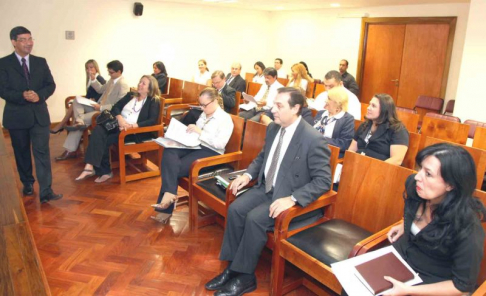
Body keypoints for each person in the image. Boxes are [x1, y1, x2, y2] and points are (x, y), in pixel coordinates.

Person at [205, 87, 332, 295]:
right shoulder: (274, 128)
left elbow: (323, 181)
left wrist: (293, 199)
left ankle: (245, 277)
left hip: (290, 196)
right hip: (267, 187)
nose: (273, 109)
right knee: (236, 209)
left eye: (279, 105)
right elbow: (263, 158)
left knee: (254, 218)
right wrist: (246, 176)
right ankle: (232, 268)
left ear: (295, 108)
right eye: (274, 104)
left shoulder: (312, 139)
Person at [384, 143, 485, 295]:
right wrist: (405, 224)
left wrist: (408, 290)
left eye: (428, 174)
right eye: (420, 169)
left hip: (429, 283)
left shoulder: (467, 226)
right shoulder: (415, 187)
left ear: (451, 185)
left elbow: (461, 286)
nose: (417, 177)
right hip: (399, 262)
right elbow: (411, 212)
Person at [151, 88, 234, 223]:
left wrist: (200, 132)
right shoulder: (204, 113)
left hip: (211, 152)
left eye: (204, 105)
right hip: (195, 145)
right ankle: (170, 194)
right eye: (200, 104)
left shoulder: (225, 119)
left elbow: (220, 144)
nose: (201, 107)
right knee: (169, 150)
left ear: (215, 101)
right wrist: (188, 130)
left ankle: (166, 204)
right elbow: (197, 129)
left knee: (174, 168)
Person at [0, 26, 62, 203]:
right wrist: (22, 96)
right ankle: (27, 182)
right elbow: (3, 90)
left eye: (30, 39)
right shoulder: (3, 64)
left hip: (39, 116)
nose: (28, 43)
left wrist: (39, 95)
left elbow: (50, 85)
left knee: (42, 152)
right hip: (16, 116)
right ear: (13, 42)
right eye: (23, 40)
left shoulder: (40, 61)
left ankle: (46, 190)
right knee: (21, 152)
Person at [74, 75, 160, 182]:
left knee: (105, 139)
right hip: (117, 124)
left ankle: (102, 171)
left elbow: (151, 120)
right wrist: (119, 118)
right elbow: (116, 107)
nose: (139, 84)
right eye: (140, 81)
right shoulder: (130, 95)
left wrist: (132, 126)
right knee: (98, 130)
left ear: (150, 88)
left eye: (143, 83)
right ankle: (90, 166)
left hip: (133, 132)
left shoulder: (153, 101)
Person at [55, 60, 129, 160]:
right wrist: (93, 79)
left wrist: (101, 107)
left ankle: (70, 150)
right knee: (76, 100)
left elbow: (119, 105)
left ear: (119, 72)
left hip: (105, 112)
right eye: (109, 72)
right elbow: (101, 89)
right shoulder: (112, 80)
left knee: (80, 121)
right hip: (98, 105)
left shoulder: (122, 84)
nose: (109, 74)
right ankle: (80, 122)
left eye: (111, 72)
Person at [348, 93, 409, 165]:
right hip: (357, 165)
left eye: (373, 106)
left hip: (380, 171)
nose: (368, 108)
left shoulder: (398, 130)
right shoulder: (365, 125)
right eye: (369, 104)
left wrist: (375, 169)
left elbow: (396, 160)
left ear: (384, 110)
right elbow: (351, 150)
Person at [50, 59, 106, 136]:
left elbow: (103, 92)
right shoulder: (90, 79)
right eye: (87, 68)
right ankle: (71, 126)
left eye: (91, 67)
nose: (89, 70)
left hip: (96, 105)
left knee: (74, 105)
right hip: (90, 102)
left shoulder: (99, 78)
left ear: (96, 68)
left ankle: (62, 125)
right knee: (75, 104)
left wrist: (94, 99)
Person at [313, 87, 354, 158]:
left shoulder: (347, 119)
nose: (326, 100)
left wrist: (320, 139)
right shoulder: (321, 113)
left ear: (338, 102)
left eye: (329, 98)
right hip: (312, 147)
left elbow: (344, 143)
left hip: (328, 153)